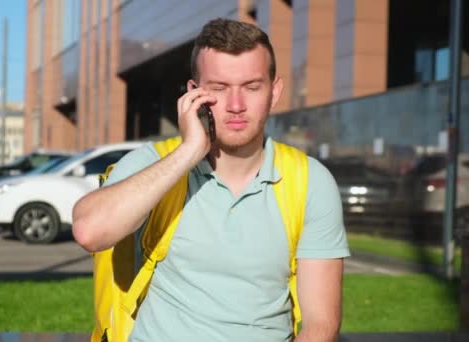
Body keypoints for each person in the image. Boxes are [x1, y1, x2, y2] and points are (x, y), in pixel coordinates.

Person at [72, 18, 349, 342]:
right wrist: (188, 152)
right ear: (194, 94)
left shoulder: (310, 181)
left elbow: (321, 324)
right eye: (218, 88)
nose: (235, 106)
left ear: (274, 92)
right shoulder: (157, 162)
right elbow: (90, 231)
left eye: (251, 87)